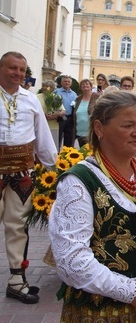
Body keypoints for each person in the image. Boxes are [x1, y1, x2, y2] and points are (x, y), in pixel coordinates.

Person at [49, 90, 136, 321]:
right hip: (103, 310)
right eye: (127, 126)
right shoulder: (79, 181)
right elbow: (71, 261)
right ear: (99, 128)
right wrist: (132, 293)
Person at [0, 51, 57, 303]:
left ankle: (16, 280)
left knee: (17, 226)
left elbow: (42, 135)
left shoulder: (31, 100)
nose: (18, 73)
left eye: (22, 70)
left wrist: (53, 167)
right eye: (13, 68)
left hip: (22, 174)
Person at [37, 80, 65, 148]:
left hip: (53, 126)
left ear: (52, 88)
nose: (45, 88)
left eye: (47, 86)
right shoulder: (36, 97)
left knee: (52, 147)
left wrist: (56, 114)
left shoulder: (56, 97)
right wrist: (43, 115)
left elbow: (63, 111)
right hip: (40, 126)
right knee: (40, 147)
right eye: (43, 86)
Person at [72, 78, 99, 147]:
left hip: (92, 131)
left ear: (91, 86)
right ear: (80, 87)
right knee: (83, 152)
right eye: (83, 84)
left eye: (87, 84)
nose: (85, 85)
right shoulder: (78, 99)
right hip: (80, 131)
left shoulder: (97, 97)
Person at [55, 75, 77, 148]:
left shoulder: (74, 94)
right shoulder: (56, 92)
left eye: (68, 82)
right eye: (65, 81)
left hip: (70, 119)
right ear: (61, 83)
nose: (67, 83)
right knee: (57, 138)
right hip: (60, 118)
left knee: (69, 139)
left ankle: (67, 155)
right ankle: (56, 155)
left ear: (70, 83)